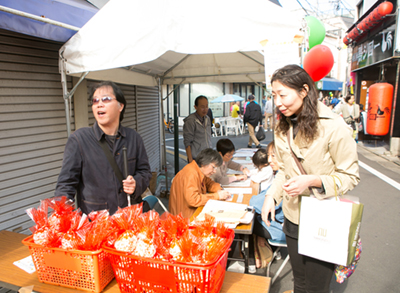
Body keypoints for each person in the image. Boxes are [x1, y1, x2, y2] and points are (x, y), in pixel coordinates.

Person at [261, 65, 360, 293]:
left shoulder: (334, 126)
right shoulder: (282, 125)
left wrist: (312, 181)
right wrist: (270, 197)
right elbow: (284, 170)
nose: (277, 102)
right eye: (274, 95)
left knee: (317, 287)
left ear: (304, 91)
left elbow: (350, 176)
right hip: (293, 216)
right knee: (300, 282)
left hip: (322, 219)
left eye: (283, 95)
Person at [55, 81, 152, 215]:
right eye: (95, 101)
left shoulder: (133, 138)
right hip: (96, 226)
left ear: (120, 106)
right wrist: (63, 215)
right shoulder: (79, 140)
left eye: (105, 99)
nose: (99, 104)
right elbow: (65, 185)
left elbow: (145, 171)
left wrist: (136, 183)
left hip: (129, 222)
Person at [249, 141, 285, 268]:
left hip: (279, 229)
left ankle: (252, 262)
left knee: (248, 222)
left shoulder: (283, 178)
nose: (269, 160)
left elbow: (255, 203)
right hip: (280, 223)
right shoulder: (281, 174)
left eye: (273, 156)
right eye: (268, 155)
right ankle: (262, 246)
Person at [169, 148, 231, 218]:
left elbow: (209, 183)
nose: (214, 171)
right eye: (213, 167)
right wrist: (217, 196)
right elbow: (193, 200)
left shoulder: (198, 170)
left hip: (192, 212)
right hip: (186, 219)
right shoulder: (191, 174)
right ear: (203, 163)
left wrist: (219, 190)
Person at [183, 95, 212, 163]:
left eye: (206, 106)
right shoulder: (191, 121)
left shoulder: (207, 118)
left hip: (208, 156)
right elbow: (187, 142)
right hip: (196, 158)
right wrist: (190, 160)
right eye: (202, 107)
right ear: (195, 107)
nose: (205, 109)